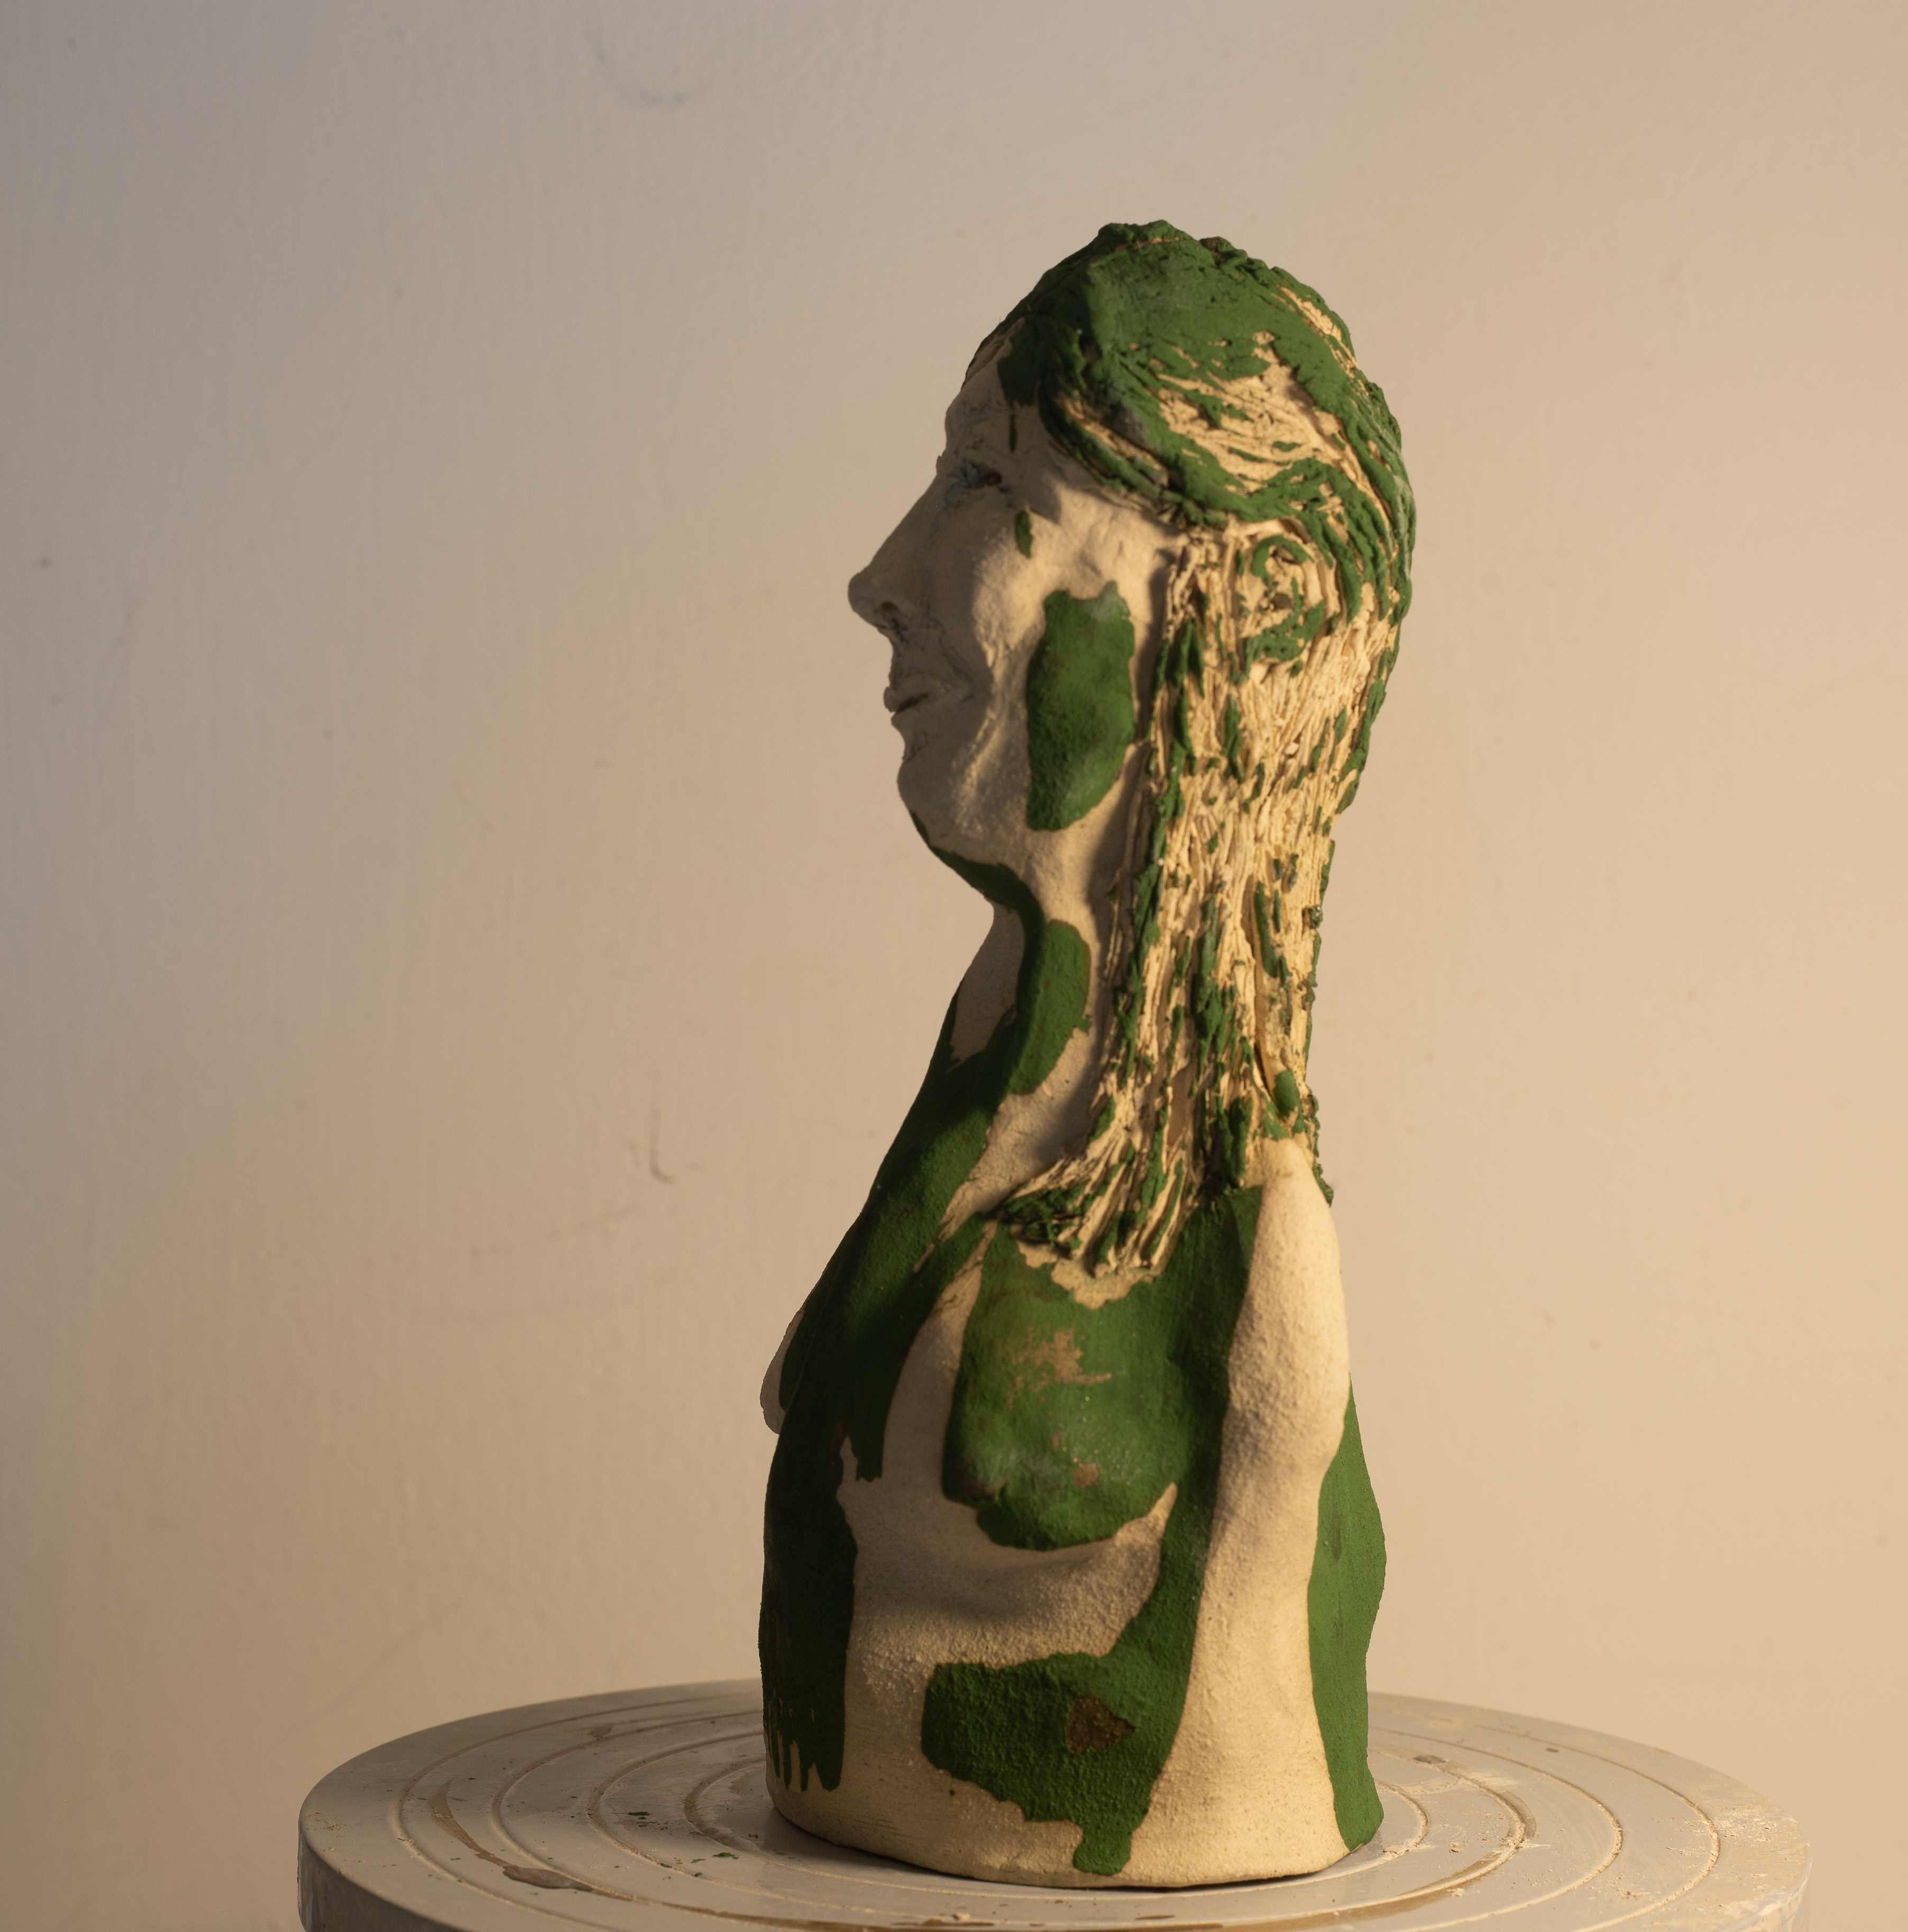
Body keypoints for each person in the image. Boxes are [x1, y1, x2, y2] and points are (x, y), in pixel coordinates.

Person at [758, 221, 1414, 1888]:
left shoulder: (1253, 1241)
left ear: (1226, 615)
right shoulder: (996, 1048)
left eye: (991, 486)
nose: (884, 574)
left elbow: (1256, 1762)